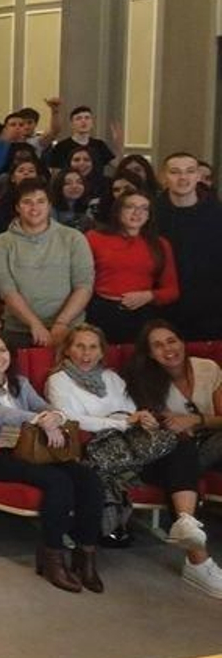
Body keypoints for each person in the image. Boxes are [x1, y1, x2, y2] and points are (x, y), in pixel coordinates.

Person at [46, 324, 217, 593]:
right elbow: (73, 420)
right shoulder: (59, 380)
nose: (86, 353)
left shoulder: (112, 378)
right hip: (97, 450)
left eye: (93, 347)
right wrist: (124, 422)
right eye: (79, 346)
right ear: (67, 349)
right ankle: (196, 558)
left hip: (132, 448)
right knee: (180, 450)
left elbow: (130, 411)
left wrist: (141, 417)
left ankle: (186, 524)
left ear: (102, 351)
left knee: (182, 452)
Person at [0, 329, 104, 593]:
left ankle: (85, 554)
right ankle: (52, 555)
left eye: (1, 350)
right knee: (57, 481)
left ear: (10, 354)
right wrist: (37, 420)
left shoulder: (20, 383)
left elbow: (44, 406)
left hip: (29, 450)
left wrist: (55, 417)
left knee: (89, 479)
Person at [0, 178, 94, 351]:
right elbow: (7, 291)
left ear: (49, 205)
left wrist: (61, 323)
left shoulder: (74, 238)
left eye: (41, 201)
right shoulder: (1, 243)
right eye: (27, 202)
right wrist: (34, 324)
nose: (34, 208)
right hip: (19, 330)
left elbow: (84, 286)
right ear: (17, 207)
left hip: (69, 329)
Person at [126, 320, 222, 485]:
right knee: (181, 457)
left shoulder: (208, 368)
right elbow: (156, 430)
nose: (168, 349)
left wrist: (195, 420)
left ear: (182, 343)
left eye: (172, 341)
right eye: (158, 345)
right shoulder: (145, 382)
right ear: (150, 354)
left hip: (214, 444)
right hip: (178, 453)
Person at [86, 189, 178, 343]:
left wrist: (148, 296)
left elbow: (172, 290)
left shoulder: (160, 244)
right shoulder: (93, 238)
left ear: (149, 215)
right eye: (130, 207)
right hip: (100, 312)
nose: (137, 213)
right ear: (118, 211)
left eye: (144, 208)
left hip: (142, 314)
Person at [154, 152, 222, 341]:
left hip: (210, 310)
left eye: (190, 171)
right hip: (160, 309)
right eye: (175, 172)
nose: (183, 178)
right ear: (163, 177)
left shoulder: (217, 214)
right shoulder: (149, 214)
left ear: (198, 176)